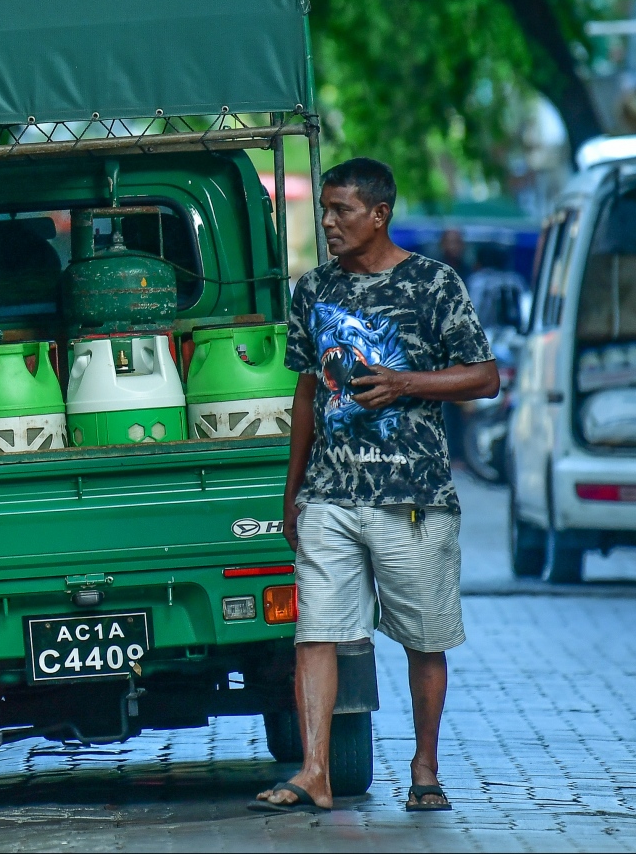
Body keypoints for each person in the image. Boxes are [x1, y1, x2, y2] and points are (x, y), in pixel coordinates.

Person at [251, 158, 498, 814]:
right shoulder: (313, 291)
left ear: (379, 214)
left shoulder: (432, 284)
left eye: (342, 211)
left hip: (412, 495)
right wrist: (292, 491)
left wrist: (405, 382)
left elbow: (483, 376)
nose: (328, 222)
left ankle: (424, 768)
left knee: (423, 638)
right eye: (325, 210)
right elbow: (306, 393)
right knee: (316, 632)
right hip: (331, 494)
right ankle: (315, 772)